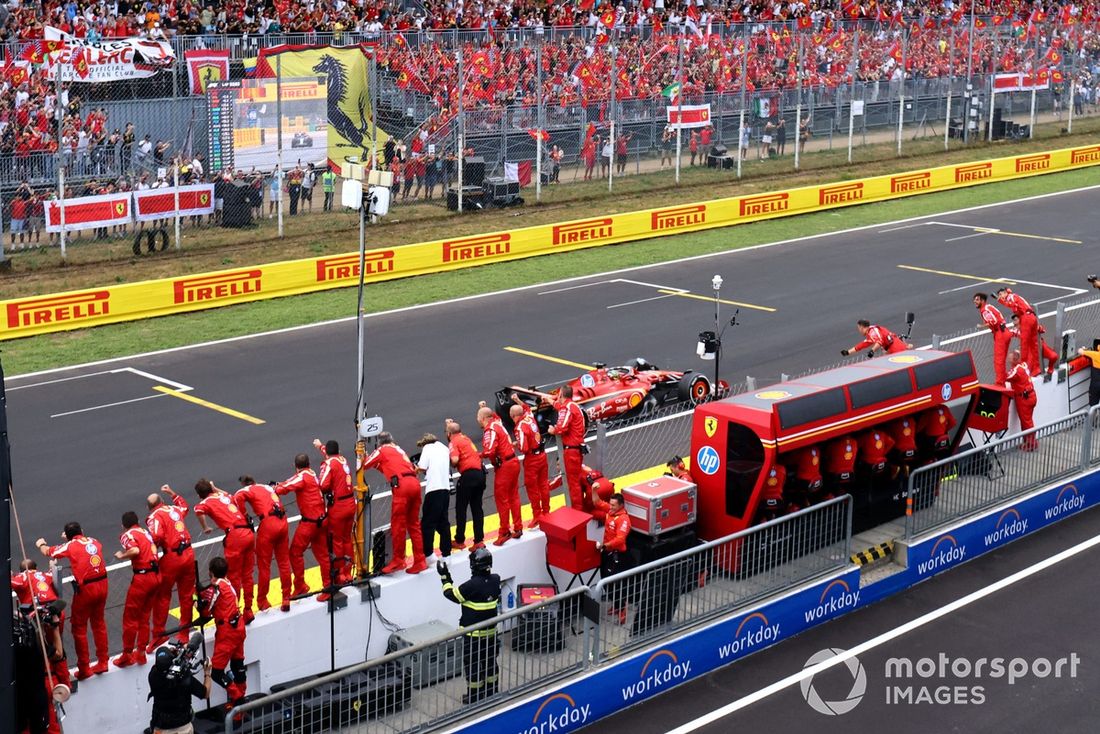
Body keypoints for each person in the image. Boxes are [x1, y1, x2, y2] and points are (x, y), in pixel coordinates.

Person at [36, 522, 109, 680]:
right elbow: (81, 546)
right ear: (81, 531)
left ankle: (84, 668)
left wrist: (41, 544)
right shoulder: (94, 541)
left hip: (86, 589)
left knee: (79, 627)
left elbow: (48, 552)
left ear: (68, 536)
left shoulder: (70, 546)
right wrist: (70, 539)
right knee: (99, 623)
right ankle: (103, 661)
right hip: (103, 584)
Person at [439, 547, 501, 704]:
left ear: (474, 566)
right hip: (491, 634)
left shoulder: (471, 586)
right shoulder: (496, 580)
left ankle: (474, 696)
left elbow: (450, 594)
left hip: (473, 637)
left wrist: (445, 576)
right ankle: (492, 691)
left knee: (473, 666)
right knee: (490, 662)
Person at [362, 433, 428, 574]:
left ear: (380, 443)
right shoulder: (398, 449)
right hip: (414, 483)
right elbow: (388, 466)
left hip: (402, 486)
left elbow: (365, 464)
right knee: (414, 524)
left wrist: (363, 456)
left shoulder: (381, 450)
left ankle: (398, 560)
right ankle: (420, 560)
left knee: (398, 525)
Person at [192, 479, 256, 622]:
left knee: (233, 577)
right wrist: (215, 488)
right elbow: (229, 495)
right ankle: (248, 610)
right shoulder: (224, 496)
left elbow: (197, 510)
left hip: (235, 538)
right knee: (247, 575)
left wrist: (205, 527)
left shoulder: (205, 502)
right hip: (248, 533)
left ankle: (235, 611)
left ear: (199, 495)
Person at [146, 486, 197, 647]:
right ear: (162, 501)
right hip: (188, 553)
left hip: (172, 558)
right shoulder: (174, 509)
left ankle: (158, 634)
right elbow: (185, 506)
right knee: (187, 595)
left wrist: (152, 548)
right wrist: (172, 493)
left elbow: (157, 535)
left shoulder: (154, 516)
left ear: (149, 507)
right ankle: (184, 633)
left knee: (162, 596)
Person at [234, 476, 292, 613]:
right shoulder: (266, 486)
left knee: (264, 566)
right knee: (284, 562)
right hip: (283, 522)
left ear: (244, 484)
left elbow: (237, 497)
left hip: (268, 526)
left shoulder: (246, 490)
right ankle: (286, 597)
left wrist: (245, 515)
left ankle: (262, 601)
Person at [273, 454, 328, 596]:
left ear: (295, 466)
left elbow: (285, 488)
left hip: (310, 523)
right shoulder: (312, 473)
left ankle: (300, 585)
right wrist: (280, 484)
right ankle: (329, 585)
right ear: (308, 464)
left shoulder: (302, 476)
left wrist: (275, 488)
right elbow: (292, 481)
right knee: (323, 556)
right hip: (322, 520)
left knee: (295, 552)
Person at [113, 511, 161, 668]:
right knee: (144, 616)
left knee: (130, 618)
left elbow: (135, 551)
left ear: (123, 525)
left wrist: (121, 556)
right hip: (156, 575)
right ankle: (141, 652)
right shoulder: (145, 532)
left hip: (142, 578)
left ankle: (127, 655)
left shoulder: (127, 535)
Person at [199, 557, 247, 706]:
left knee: (216, 673)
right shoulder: (227, 583)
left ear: (211, 572)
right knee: (238, 666)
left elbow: (205, 610)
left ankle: (238, 698)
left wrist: (196, 598)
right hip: (239, 627)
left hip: (227, 633)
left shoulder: (216, 588)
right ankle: (241, 703)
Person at [314, 438, 356, 587]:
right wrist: (320, 446)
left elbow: (323, 485)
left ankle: (340, 574)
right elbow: (330, 456)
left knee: (337, 541)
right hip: (351, 503)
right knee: (347, 539)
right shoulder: (342, 459)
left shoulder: (329, 464)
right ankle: (349, 572)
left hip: (338, 507)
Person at [478, 404, 522, 545]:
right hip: (513, 461)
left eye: (478, 418)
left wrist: (478, 455)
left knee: (502, 499)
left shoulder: (490, 429)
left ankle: (504, 531)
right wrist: (484, 407)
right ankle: (518, 527)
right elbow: (493, 414)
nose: (478, 421)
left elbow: (489, 450)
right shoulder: (498, 423)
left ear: (483, 418)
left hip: (505, 466)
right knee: (514, 496)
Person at [148, 646, 212, 734]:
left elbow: (160, 667)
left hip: (159, 728)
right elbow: (205, 693)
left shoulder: (153, 675)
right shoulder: (184, 678)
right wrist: (207, 672)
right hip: (182, 728)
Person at [548, 385, 589, 511]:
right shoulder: (572, 405)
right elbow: (560, 407)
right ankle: (579, 508)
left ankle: (577, 511)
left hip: (571, 450)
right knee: (575, 481)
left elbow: (561, 428)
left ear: (561, 395)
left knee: (573, 483)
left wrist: (553, 430)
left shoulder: (567, 408)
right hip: (576, 449)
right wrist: (550, 401)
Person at [510, 398, 550, 528]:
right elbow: (526, 407)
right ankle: (547, 511)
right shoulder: (529, 416)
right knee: (544, 485)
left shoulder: (519, 427)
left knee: (532, 488)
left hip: (532, 460)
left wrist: (516, 444)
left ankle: (537, 516)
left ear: (514, 416)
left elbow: (524, 448)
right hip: (542, 455)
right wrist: (517, 399)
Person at [448, 419, 486, 551]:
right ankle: (479, 540)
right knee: (477, 508)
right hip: (480, 474)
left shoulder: (453, 442)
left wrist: (451, 463)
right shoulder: (466, 439)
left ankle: (459, 540)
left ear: (449, 434)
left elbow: (455, 459)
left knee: (461, 508)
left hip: (468, 476)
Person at [416, 433, 453, 560]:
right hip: (445, 489)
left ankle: (428, 554)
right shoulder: (444, 448)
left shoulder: (427, 448)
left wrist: (415, 469)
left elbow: (422, 467)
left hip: (433, 490)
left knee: (427, 524)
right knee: (443, 522)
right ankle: (446, 554)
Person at [597, 493, 632, 624]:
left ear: (621, 505)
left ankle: (622, 609)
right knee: (605, 580)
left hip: (617, 555)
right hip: (606, 552)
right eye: (610, 504)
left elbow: (620, 539)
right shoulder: (610, 510)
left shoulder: (624, 519)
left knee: (616, 583)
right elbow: (597, 502)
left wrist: (605, 545)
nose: (610, 507)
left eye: (613, 505)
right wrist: (594, 489)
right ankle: (616, 605)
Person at [996, 287, 1040, 376]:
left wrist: (1002, 301)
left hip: (1026, 318)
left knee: (1024, 344)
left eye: (1001, 294)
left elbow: (1013, 305)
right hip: (1032, 317)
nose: (1000, 296)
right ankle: (1036, 368)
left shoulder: (1011, 297)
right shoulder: (1015, 296)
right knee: (1033, 345)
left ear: (1005, 293)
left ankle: (1023, 368)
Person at [974, 292, 1012, 384]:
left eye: (977, 300)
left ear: (983, 301)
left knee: (998, 361)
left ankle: (1000, 383)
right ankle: (1003, 378)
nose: (975, 301)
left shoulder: (984, 310)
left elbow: (993, 321)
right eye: (974, 300)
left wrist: (981, 326)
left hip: (1000, 334)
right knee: (1002, 359)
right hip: (1004, 331)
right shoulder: (989, 307)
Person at [1005, 351, 1039, 451]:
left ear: (1014, 360)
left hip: (1024, 399)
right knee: (1027, 421)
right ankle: (1028, 442)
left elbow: (1005, 377)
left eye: (1010, 358)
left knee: (1027, 423)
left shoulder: (1016, 371)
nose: (1008, 359)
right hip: (1031, 395)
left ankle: (1031, 444)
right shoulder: (1023, 365)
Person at [841, 320, 910, 356]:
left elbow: (879, 341)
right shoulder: (871, 332)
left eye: (859, 328)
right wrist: (848, 352)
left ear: (862, 327)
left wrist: (872, 351)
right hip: (893, 347)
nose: (859, 330)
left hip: (896, 348)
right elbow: (862, 345)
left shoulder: (872, 332)